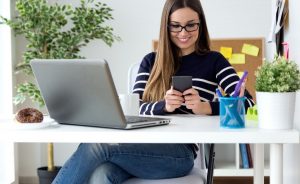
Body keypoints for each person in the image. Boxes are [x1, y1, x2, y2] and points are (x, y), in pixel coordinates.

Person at [53, 0, 255, 183]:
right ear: (166, 27)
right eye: (176, 26)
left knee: (97, 145)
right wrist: (164, 106)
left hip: (178, 154)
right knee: (101, 174)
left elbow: (247, 102)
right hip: (138, 147)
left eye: (191, 25)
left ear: (200, 24)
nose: (183, 32)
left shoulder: (214, 61)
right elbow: (135, 108)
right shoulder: (151, 61)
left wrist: (206, 107)